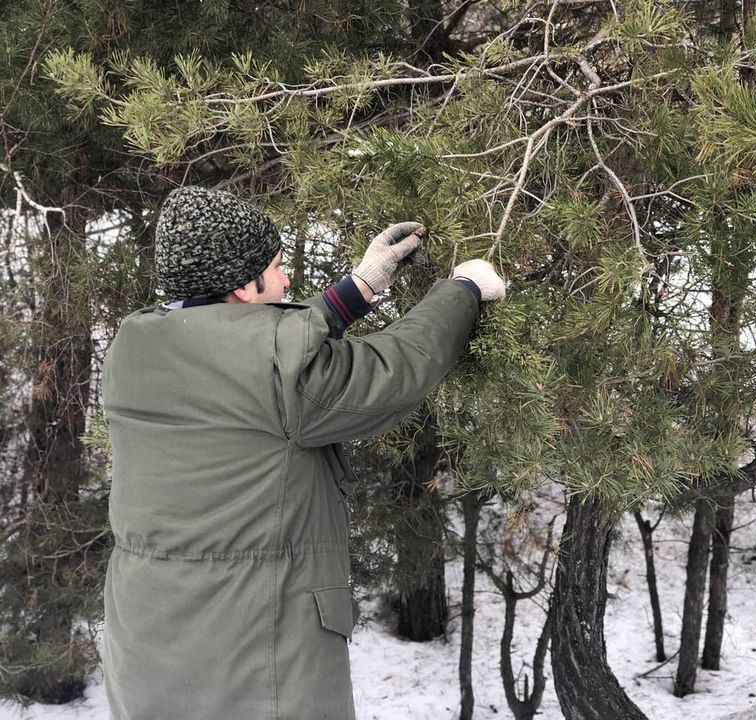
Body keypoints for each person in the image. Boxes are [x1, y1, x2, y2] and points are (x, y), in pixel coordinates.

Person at [101, 185, 505, 720]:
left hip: (147, 649)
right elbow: (392, 373)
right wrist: (463, 290)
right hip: (254, 657)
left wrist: (357, 290)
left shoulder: (134, 345)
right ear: (243, 288)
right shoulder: (275, 371)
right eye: (274, 268)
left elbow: (257, 354)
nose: (286, 279)